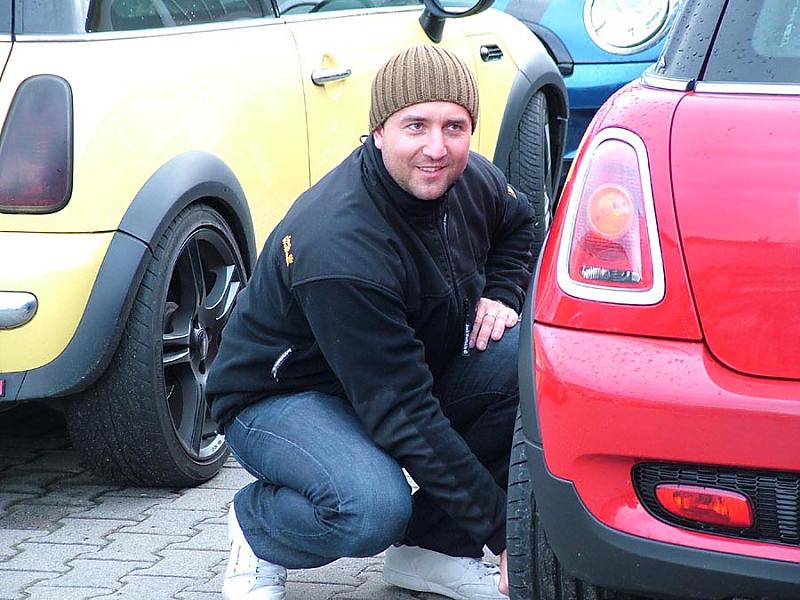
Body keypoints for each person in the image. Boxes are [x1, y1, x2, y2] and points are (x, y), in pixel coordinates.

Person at [207, 44, 534, 600]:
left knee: (529, 364)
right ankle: (258, 529)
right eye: (416, 126)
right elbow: (404, 413)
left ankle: (432, 550)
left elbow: (519, 224)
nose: (436, 147)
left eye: (454, 126)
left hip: (393, 377)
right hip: (282, 397)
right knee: (370, 507)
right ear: (379, 131)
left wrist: (501, 294)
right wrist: (504, 536)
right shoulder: (341, 245)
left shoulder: (469, 179)